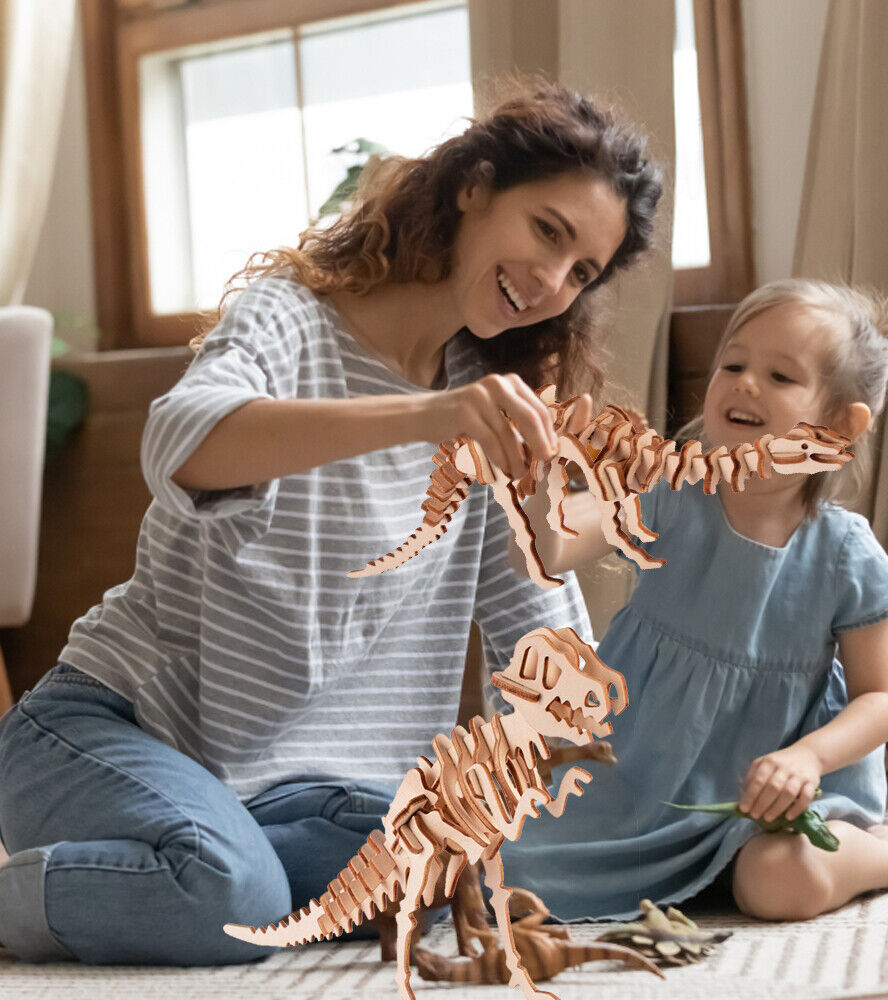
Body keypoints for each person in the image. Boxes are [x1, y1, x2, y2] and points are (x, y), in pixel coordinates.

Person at [0, 79, 663, 964]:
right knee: (232, 895)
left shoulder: (494, 405)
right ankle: (152, 874)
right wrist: (427, 415)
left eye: (581, 271)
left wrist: (540, 545)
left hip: (285, 794)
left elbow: (538, 653)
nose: (551, 282)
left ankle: (165, 865)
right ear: (474, 187)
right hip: (105, 731)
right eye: (547, 231)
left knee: (433, 866)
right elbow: (183, 442)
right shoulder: (292, 317)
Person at [501, 278, 888, 921]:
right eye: (733, 363)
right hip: (638, 780)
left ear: (839, 425)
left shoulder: (842, 550)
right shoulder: (672, 491)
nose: (745, 383)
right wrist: (536, 471)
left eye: (780, 376)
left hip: (767, 803)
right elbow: (548, 549)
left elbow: (883, 698)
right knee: (508, 870)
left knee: (778, 885)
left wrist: (806, 759)